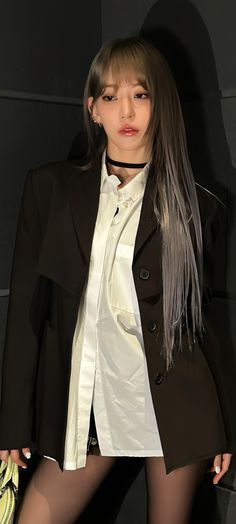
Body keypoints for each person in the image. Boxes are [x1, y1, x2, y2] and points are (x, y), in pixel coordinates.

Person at [0, 37, 233, 524]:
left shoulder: (197, 206)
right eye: (110, 96)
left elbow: (202, 324)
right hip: (89, 403)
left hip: (174, 407)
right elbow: (26, 313)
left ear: (161, 104)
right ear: (93, 109)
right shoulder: (50, 189)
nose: (126, 109)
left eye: (141, 94)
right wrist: (13, 423)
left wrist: (224, 427)